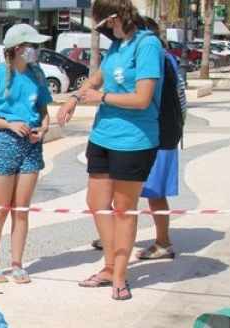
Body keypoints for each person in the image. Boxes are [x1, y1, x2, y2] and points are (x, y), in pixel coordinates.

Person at [57, 0, 163, 301]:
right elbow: (97, 77)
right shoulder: (118, 45)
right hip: (103, 136)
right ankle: (108, 265)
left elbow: (142, 98)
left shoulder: (147, 45)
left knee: (123, 209)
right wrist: (75, 98)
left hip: (135, 139)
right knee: (97, 200)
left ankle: (120, 275)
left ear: (114, 17)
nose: (100, 29)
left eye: (101, 22)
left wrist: (100, 97)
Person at [0, 23, 52, 284]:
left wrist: (44, 127)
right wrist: (8, 124)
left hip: (31, 144)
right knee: (0, 209)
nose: (37, 50)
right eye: (33, 46)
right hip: (4, 143)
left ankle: (17, 263)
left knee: (21, 209)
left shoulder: (37, 75)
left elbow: (43, 110)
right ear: (18, 49)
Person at [136, 16, 185, 261]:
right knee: (128, 188)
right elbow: (182, 98)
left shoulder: (158, 59)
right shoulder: (168, 59)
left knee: (154, 192)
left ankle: (164, 242)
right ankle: (114, 235)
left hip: (159, 133)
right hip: (165, 130)